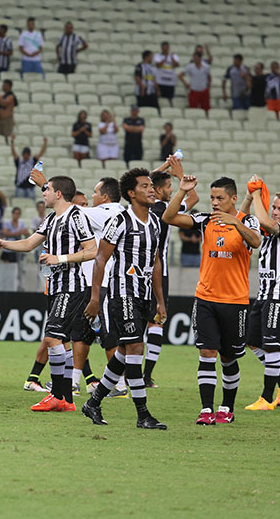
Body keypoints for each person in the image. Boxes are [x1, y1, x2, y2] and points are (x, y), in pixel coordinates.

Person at [0, 174, 97, 412]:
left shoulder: (76, 216)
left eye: (46, 189)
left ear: (58, 193)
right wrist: (3, 243)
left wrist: (60, 258)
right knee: (62, 342)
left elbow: (92, 250)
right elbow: (29, 243)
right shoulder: (51, 219)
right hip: (56, 286)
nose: (43, 193)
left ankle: (56, 395)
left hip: (71, 285)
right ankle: (67, 400)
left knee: (51, 337)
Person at [162, 173, 261, 425]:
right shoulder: (206, 220)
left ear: (234, 198)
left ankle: (227, 407)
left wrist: (235, 222)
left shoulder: (247, 220)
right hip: (205, 298)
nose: (215, 202)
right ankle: (206, 410)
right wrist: (182, 190)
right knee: (206, 352)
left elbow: (256, 241)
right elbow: (169, 218)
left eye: (220, 198)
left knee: (228, 357)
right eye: (212, 198)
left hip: (235, 302)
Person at [82, 168, 168, 429]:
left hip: (144, 296)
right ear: (131, 193)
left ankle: (93, 403)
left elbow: (156, 262)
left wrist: (160, 300)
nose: (151, 190)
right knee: (136, 348)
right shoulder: (120, 221)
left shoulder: (155, 223)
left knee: (123, 351)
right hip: (122, 293)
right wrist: (95, 298)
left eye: (151, 185)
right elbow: (100, 258)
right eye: (144, 186)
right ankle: (143, 414)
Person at [241, 180, 280, 410]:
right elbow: (243, 219)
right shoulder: (266, 233)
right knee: (252, 342)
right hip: (264, 295)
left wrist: (257, 194)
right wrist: (250, 197)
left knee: (271, 347)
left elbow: (265, 221)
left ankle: (266, 399)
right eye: (274, 207)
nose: (275, 212)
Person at [143, 161, 199, 387]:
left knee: (135, 324)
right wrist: (180, 175)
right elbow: (193, 198)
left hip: (136, 272)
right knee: (156, 323)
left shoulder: (140, 207)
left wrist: (165, 166)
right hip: (159, 273)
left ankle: (128, 375)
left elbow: (143, 179)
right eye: (168, 186)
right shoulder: (167, 210)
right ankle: (146, 375)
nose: (170, 190)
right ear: (157, 190)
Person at [71, 177, 125, 396]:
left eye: (95, 192)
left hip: (103, 285)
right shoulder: (107, 214)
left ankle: (119, 385)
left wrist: (47, 186)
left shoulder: (110, 213)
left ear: (105, 197)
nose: (92, 197)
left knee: (109, 336)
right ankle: (74, 382)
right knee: (81, 334)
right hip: (89, 283)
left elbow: (71, 209)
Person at [10, 133, 46, 199]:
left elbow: (41, 153)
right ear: (22, 154)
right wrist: (12, 142)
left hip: (30, 187)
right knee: (19, 202)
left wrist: (45, 143)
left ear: (29, 155)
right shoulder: (19, 161)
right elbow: (13, 153)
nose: (26, 156)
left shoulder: (32, 161)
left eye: (27, 154)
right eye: (25, 154)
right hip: (20, 187)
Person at [153, 41, 179, 105]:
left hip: (170, 83)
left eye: (166, 48)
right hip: (161, 82)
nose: (165, 49)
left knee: (170, 99)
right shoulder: (157, 56)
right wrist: (165, 58)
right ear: (161, 48)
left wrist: (171, 57)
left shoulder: (174, 56)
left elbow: (176, 65)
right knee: (160, 100)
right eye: (164, 48)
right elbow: (158, 65)